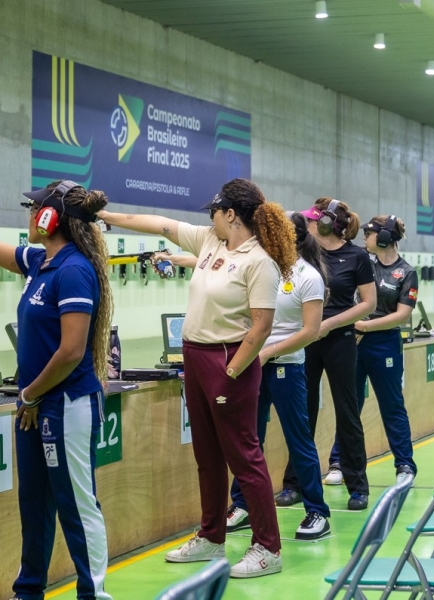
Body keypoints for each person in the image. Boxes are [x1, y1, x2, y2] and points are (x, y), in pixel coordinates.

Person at [98, 178, 297, 579]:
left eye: (214, 212)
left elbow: (261, 327)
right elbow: (157, 223)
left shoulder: (259, 261)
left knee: (244, 457)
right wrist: (104, 215)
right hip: (195, 356)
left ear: (231, 214)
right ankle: (211, 536)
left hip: (229, 361)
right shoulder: (210, 241)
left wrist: (232, 372)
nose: (210, 218)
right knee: (207, 456)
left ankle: (268, 547)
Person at [0, 180, 113, 600]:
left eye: (34, 209)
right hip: (35, 403)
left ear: (50, 218)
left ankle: (93, 594)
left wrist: (30, 394)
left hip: (66, 404)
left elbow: (71, 351)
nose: (30, 215)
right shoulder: (41, 262)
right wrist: (31, 396)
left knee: (77, 504)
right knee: (34, 504)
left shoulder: (74, 270)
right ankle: (28, 591)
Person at [227, 212, 331, 540]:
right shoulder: (261, 268)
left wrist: (268, 352)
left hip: (287, 367)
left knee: (298, 439)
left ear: (289, 238)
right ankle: (241, 504)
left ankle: (317, 511)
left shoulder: (308, 277)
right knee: (249, 438)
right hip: (253, 366)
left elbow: (310, 331)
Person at [278, 198, 376, 511]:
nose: (306, 223)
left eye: (312, 219)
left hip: (339, 339)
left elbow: (369, 303)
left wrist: (329, 324)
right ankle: (294, 484)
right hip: (306, 339)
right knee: (302, 413)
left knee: (347, 412)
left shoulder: (357, 256)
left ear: (324, 225)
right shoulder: (304, 253)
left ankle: (357, 487)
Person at [330, 215, 418, 484]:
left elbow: (402, 315)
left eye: (369, 233)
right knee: (349, 405)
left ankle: (404, 465)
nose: (364, 238)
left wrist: (364, 326)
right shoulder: (362, 262)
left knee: (392, 405)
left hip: (384, 343)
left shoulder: (406, 272)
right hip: (354, 342)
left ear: (384, 238)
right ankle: (338, 462)